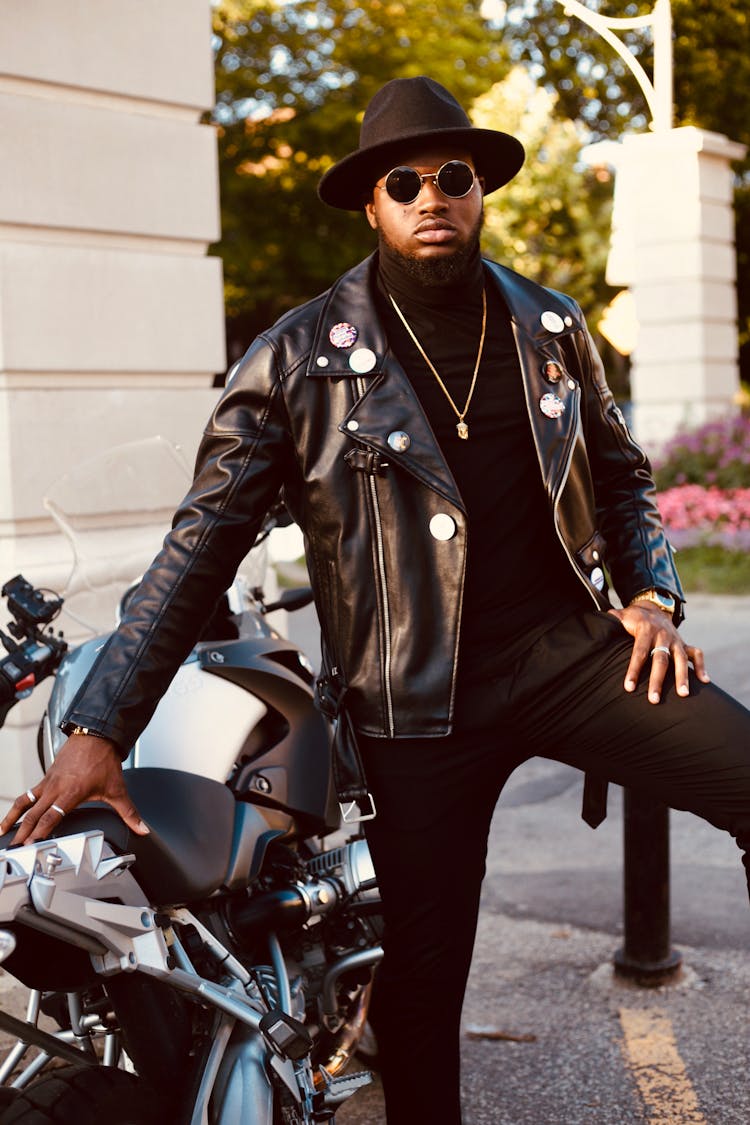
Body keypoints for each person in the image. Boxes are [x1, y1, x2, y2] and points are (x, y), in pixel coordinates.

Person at [3, 76, 750, 1125]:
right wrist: (99, 728)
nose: (431, 195)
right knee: (426, 980)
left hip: (571, 658)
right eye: (405, 181)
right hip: (413, 706)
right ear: (374, 204)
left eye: (453, 175)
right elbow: (196, 555)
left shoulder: (549, 326)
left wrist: (652, 597)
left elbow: (620, 477)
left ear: (480, 187)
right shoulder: (298, 361)